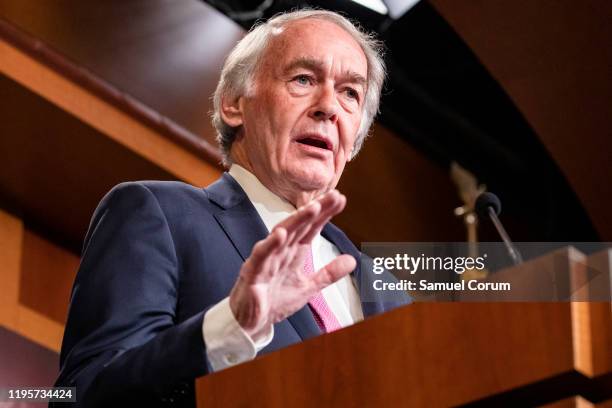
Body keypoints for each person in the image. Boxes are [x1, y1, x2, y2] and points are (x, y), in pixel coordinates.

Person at [54, 9, 410, 407]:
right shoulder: (159, 215)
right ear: (233, 104)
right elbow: (82, 396)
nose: (329, 106)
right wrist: (228, 331)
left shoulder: (392, 295)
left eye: (350, 93)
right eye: (303, 79)